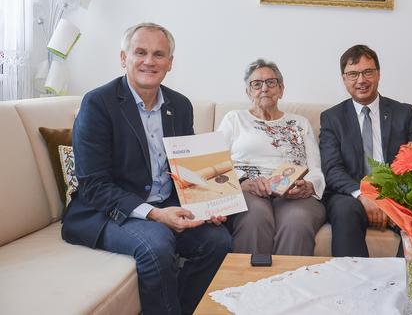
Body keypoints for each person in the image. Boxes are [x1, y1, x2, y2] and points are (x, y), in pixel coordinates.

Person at [62, 23, 232, 314]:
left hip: (165, 203)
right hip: (110, 212)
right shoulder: (98, 103)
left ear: (170, 62)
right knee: (158, 242)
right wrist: (154, 214)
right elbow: (93, 185)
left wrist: (207, 203)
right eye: (140, 52)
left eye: (158, 54)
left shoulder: (180, 105)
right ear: (123, 57)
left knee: (218, 240)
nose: (149, 61)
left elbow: (186, 168)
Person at [319, 45, 412, 257]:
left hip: (397, 193)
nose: (361, 80)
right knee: (344, 210)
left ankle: (406, 283)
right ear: (344, 78)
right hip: (350, 195)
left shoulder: (404, 112)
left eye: (368, 72)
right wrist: (362, 196)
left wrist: (390, 199)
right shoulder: (332, 118)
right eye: (353, 74)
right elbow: (332, 169)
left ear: (378, 73)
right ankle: (353, 284)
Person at [217, 59, 326, 256]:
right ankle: (249, 285)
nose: (264, 88)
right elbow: (217, 162)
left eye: (271, 82)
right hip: (250, 190)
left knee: (298, 221)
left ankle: (288, 284)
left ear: (281, 89)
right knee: (255, 217)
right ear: (248, 91)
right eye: (256, 84)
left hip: (295, 193)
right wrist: (243, 182)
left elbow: (315, 168)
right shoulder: (235, 119)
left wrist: (308, 186)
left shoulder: (300, 123)